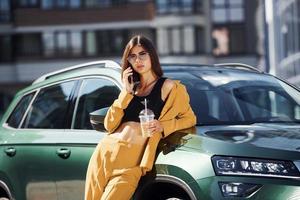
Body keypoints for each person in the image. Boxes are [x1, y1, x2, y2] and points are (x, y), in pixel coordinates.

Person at [84, 35, 196, 200]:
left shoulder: (169, 87)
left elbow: (189, 119)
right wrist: (125, 92)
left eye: (142, 54)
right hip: (104, 154)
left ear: (152, 55)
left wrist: (163, 126)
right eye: (133, 56)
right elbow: (109, 125)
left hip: (131, 163)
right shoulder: (130, 89)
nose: (138, 60)